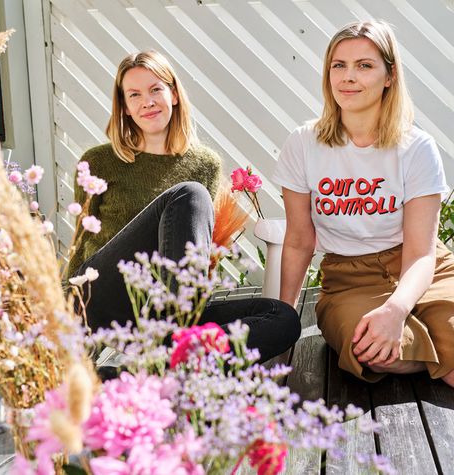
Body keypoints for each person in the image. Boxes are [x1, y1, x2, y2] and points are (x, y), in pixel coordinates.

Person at [273, 20, 454, 465]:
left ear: (389, 75)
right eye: (338, 65)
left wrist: (398, 309)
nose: (348, 77)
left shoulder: (417, 148)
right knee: (374, 353)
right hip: (348, 275)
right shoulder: (303, 144)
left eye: (364, 65)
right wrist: (282, 324)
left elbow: (420, 252)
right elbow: (300, 241)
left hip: (424, 269)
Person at [68, 50, 301, 363]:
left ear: (174, 94)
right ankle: (186, 348)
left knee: (282, 317)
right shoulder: (98, 162)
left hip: (166, 313)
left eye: (155, 90)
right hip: (106, 298)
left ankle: (180, 357)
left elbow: (198, 247)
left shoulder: (204, 164)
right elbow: (80, 243)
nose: (147, 101)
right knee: (189, 195)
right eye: (134, 94)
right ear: (123, 106)